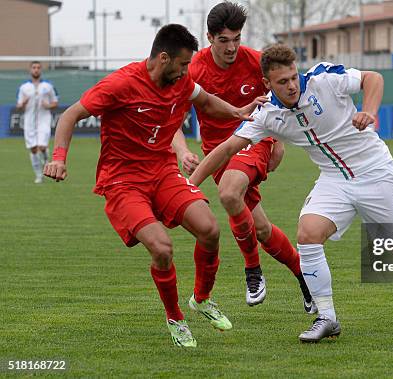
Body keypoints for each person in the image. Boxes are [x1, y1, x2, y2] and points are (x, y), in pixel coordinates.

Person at [188, 44, 393, 343]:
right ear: (267, 84)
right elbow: (227, 149)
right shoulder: (267, 114)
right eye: (282, 82)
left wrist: (369, 111)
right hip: (334, 180)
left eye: (292, 77)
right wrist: (190, 185)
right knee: (308, 233)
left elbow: (372, 78)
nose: (291, 85)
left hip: (377, 173)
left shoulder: (324, 78)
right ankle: (327, 317)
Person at [44, 24, 266, 348]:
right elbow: (71, 115)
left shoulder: (181, 81)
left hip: (162, 171)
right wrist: (59, 157)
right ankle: (176, 318)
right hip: (123, 181)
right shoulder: (121, 83)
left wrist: (238, 111)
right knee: (161, 248)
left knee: (210, 229)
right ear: (164, 58)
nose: (186, 71)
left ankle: (201, 299)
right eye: (182, 64)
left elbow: (204, 101)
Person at [173, 2, 314, 311]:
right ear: (209, 38)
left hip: (253, 141)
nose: (232, 47)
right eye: (224, 40)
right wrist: (183, 150)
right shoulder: (194, 69)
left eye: (236, 38)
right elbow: (172, 121)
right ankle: (306, 277)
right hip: (217, 154)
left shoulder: (254, 61)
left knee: (228, 193)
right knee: (260, 228)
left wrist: (278, 141)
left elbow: (282, 99)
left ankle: (252, 270)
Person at [16, 61, 59, 183]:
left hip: (44, 120)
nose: (36, 70)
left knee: (42, 146)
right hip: (29, 121)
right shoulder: (24, 87)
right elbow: (18, 105)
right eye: (34, 68)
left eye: (38, 68)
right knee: (34, 149)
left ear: (41, 70)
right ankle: (39, 175)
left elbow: (55, 102)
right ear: (30, 70)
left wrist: (48, 105)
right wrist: (22, 103)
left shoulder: (48, 86)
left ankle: (46, 162)